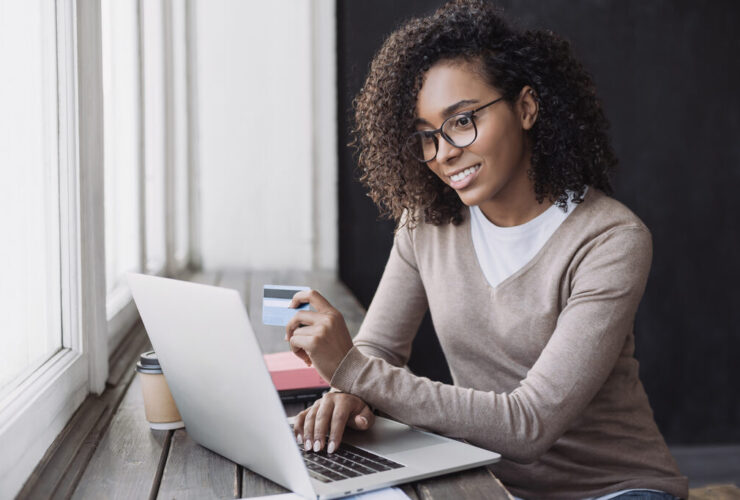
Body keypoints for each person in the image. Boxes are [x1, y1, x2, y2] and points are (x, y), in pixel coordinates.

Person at [284, 1, 689, 498]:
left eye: (462, 120)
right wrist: (347, 394)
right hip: (486, 479)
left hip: (613, 488)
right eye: (426, 136)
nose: (445, 152)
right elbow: (378, 351)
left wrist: (353, 372)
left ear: (525, 107)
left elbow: (529, 424)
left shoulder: (609, 240)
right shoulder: (425, 226)